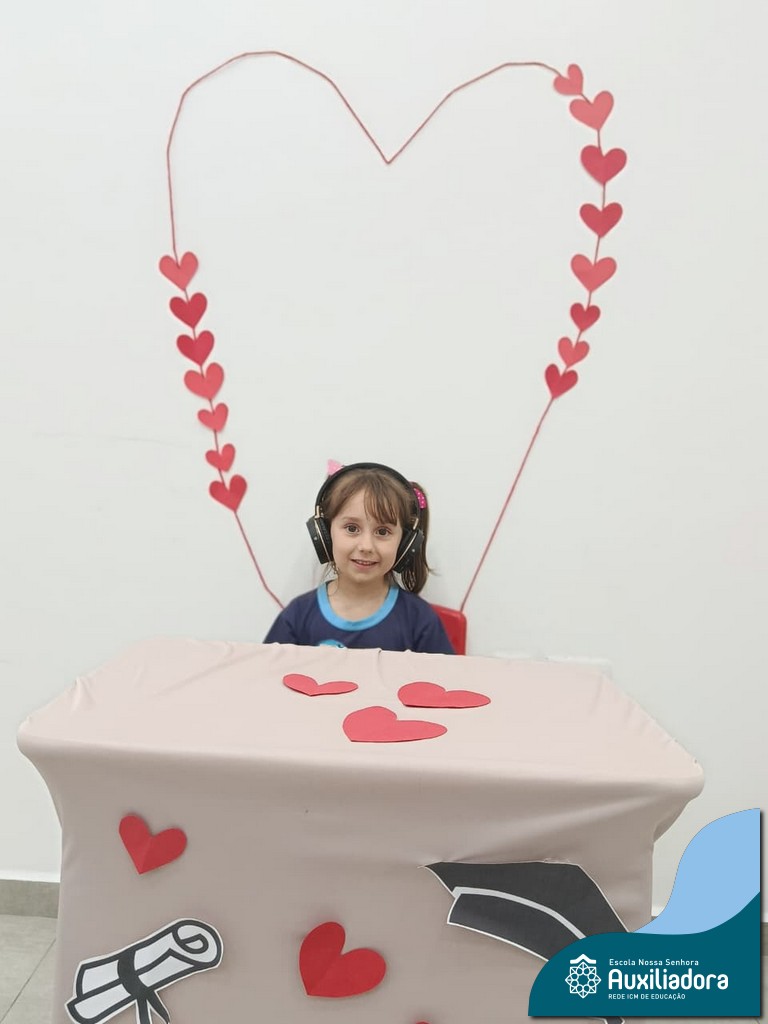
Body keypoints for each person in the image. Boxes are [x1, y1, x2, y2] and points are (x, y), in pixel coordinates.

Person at [264, 462, 455, 653]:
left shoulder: (420, 621)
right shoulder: (297, 616)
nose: (366, 546)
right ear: (325, 534)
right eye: (352, 528)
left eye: (382, 531)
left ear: (405, 543)